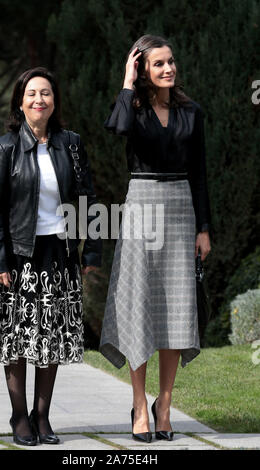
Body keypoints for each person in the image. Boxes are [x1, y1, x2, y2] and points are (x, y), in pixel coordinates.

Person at [0, 67, 102, 446]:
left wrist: (92, 249)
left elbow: (88, 200)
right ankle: (19, 417)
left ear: (54, 101)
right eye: (32, 93)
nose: (39, 99)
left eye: (46, 93)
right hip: (18, 258)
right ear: (21, 101)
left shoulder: (72, 144)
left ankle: (42, 416)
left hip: (59, 254)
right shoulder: (5, 148)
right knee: (17, 339)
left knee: (51, 337)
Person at [99, 35, 211, 442]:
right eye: (158, 64)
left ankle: (165, 404)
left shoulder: (191, 112)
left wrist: (204, 228)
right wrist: (128, 83)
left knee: (176, 308)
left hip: (181, 207)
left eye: (170, 62)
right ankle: (139, 404)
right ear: (144, 70)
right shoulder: (134, 108)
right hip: (142, 203)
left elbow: (199, 172)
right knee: (140, 304)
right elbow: (117, 128)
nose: (168, 69)